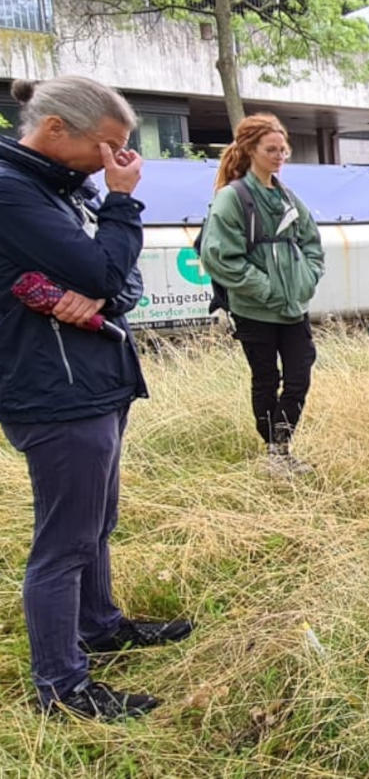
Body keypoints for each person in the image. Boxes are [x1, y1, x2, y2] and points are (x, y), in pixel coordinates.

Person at [0, 75, 192, 720]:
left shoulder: (61, 189)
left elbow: (123, 280)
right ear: (56, 130)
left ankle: (100, 625)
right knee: (64, 542)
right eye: (108, 147)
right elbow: (108, 267)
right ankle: (63, 687)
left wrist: (105, 284)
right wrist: (121, 206)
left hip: (94, 377)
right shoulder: (12, 192)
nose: (118, 162)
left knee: (96, 525)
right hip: (54, 390)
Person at [199, 113, 325, 477]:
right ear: (251, 150)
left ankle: (280, 443)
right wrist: (266, 290)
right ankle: (276, 451)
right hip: (255, 309)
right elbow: (220, 257)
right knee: (266, 378)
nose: (280, 155)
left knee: (300, 373)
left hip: (292, 306)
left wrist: (307, 278)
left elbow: (311, 241)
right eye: (271, 149)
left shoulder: (286, 196)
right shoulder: (232, 198)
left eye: (283, 149)